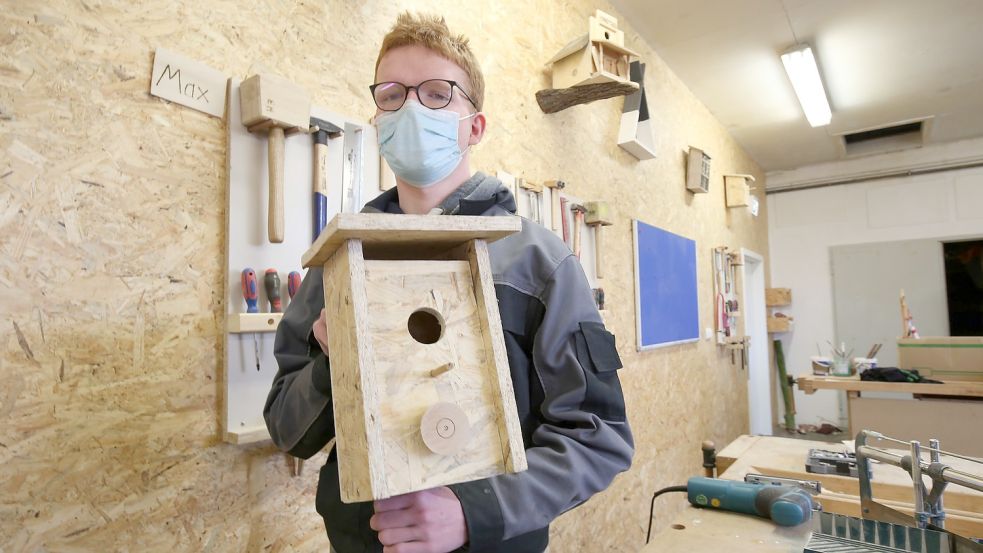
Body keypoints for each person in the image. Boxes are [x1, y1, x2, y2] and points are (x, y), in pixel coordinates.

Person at [264, 12, 633, 553]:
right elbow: (286, 430)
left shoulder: (538, 263)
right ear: (378, 120)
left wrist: (475, 511)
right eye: (392, 95)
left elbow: (599, 438)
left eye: (438, 94)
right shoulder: (340, 264)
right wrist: (331, 362)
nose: (411, 108)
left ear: (474, 127)